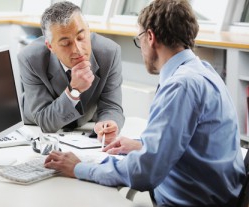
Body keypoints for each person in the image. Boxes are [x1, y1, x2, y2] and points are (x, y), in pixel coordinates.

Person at [44, 0, 246, 206]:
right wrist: (142, 146)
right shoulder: (202, 70)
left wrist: (79, 168)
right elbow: (190, 142)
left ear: (150, 37)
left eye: (139, 39)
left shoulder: (181, 86)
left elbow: (144, 173)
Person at [18, 1, 125, 143]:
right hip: (35, 125)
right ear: (50, 46)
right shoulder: (30, 58)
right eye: (65, 43)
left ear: (88, 30)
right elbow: (45, 121)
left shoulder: (110, 53)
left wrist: (109, 124)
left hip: (84, 125)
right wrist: (74, 90)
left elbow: (112, 106)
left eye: (81, 37)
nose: (78, 49)